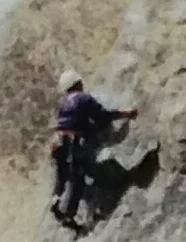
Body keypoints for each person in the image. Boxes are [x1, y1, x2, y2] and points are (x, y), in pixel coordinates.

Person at [50, 69, 138, 229]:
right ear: (78, 83)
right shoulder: (83, 98)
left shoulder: (63, 102)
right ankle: (69, 216)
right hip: (72, 141)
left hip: (57, 141)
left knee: (62, 175)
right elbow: (102, 115)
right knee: (78, 178)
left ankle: (56, 199)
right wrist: (125, 114)